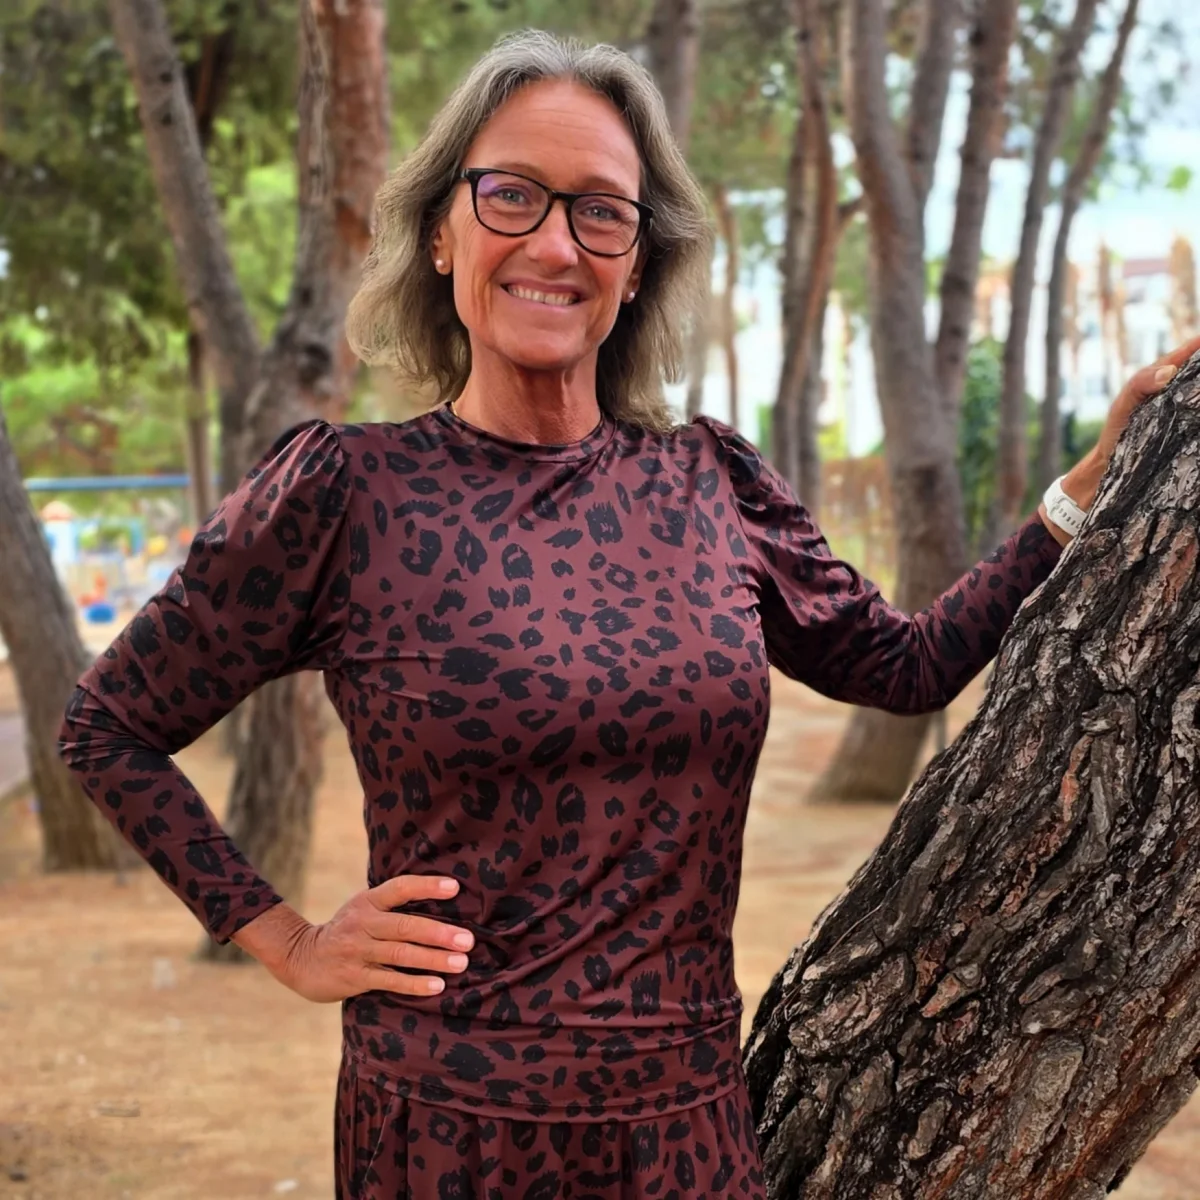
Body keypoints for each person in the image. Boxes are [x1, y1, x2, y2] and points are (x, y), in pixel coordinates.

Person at [57, 28, 1200, 1200]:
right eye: (511, 195)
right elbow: (108, 728)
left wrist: (1087, 485)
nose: (555, 243)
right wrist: (287, 941)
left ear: (640, 262)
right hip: (446, 1131)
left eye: (601, 211)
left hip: (685, 1133)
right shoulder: (348, 494)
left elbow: (906, 666)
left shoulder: (713, 482)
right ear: (442, 234)